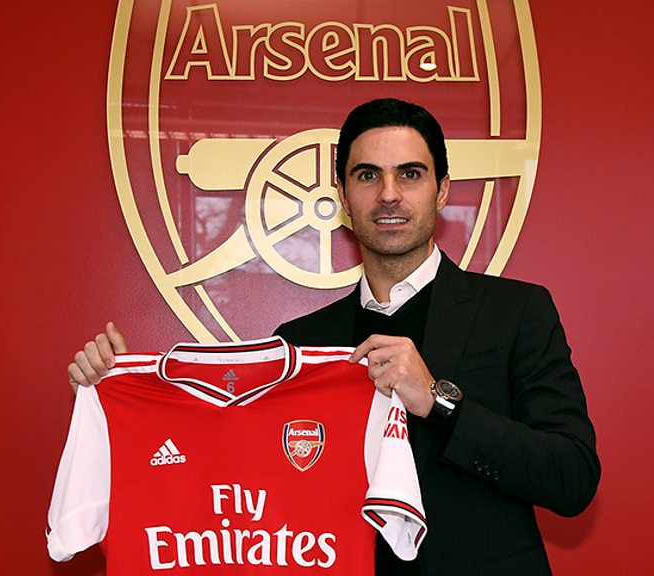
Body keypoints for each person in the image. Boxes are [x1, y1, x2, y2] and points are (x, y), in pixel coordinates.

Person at [69, 98, 600, 575]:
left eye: (410, 174)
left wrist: (437, 402)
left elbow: (572, 478)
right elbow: (235, 476)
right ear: (343, 195)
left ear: (441, 190)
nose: (388, 194)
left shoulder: (517, 312)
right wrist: (124, 396)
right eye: (367, 176)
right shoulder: (300, 343)